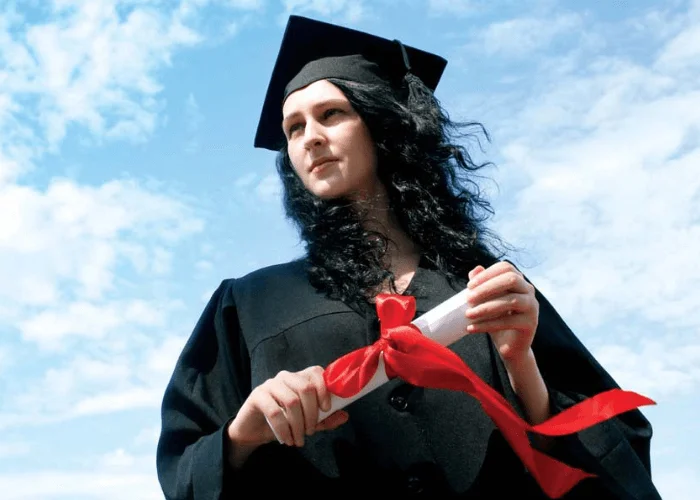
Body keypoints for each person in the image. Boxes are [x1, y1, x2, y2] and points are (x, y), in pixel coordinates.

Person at [156, 15, 660, 499]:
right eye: (292, 128)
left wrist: (521, 365)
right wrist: (242, 436)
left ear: (382, 125)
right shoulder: (249, 304)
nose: (309, 137)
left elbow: (617, 458)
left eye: (332, 114)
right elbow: (185, 471)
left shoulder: (483, 286)